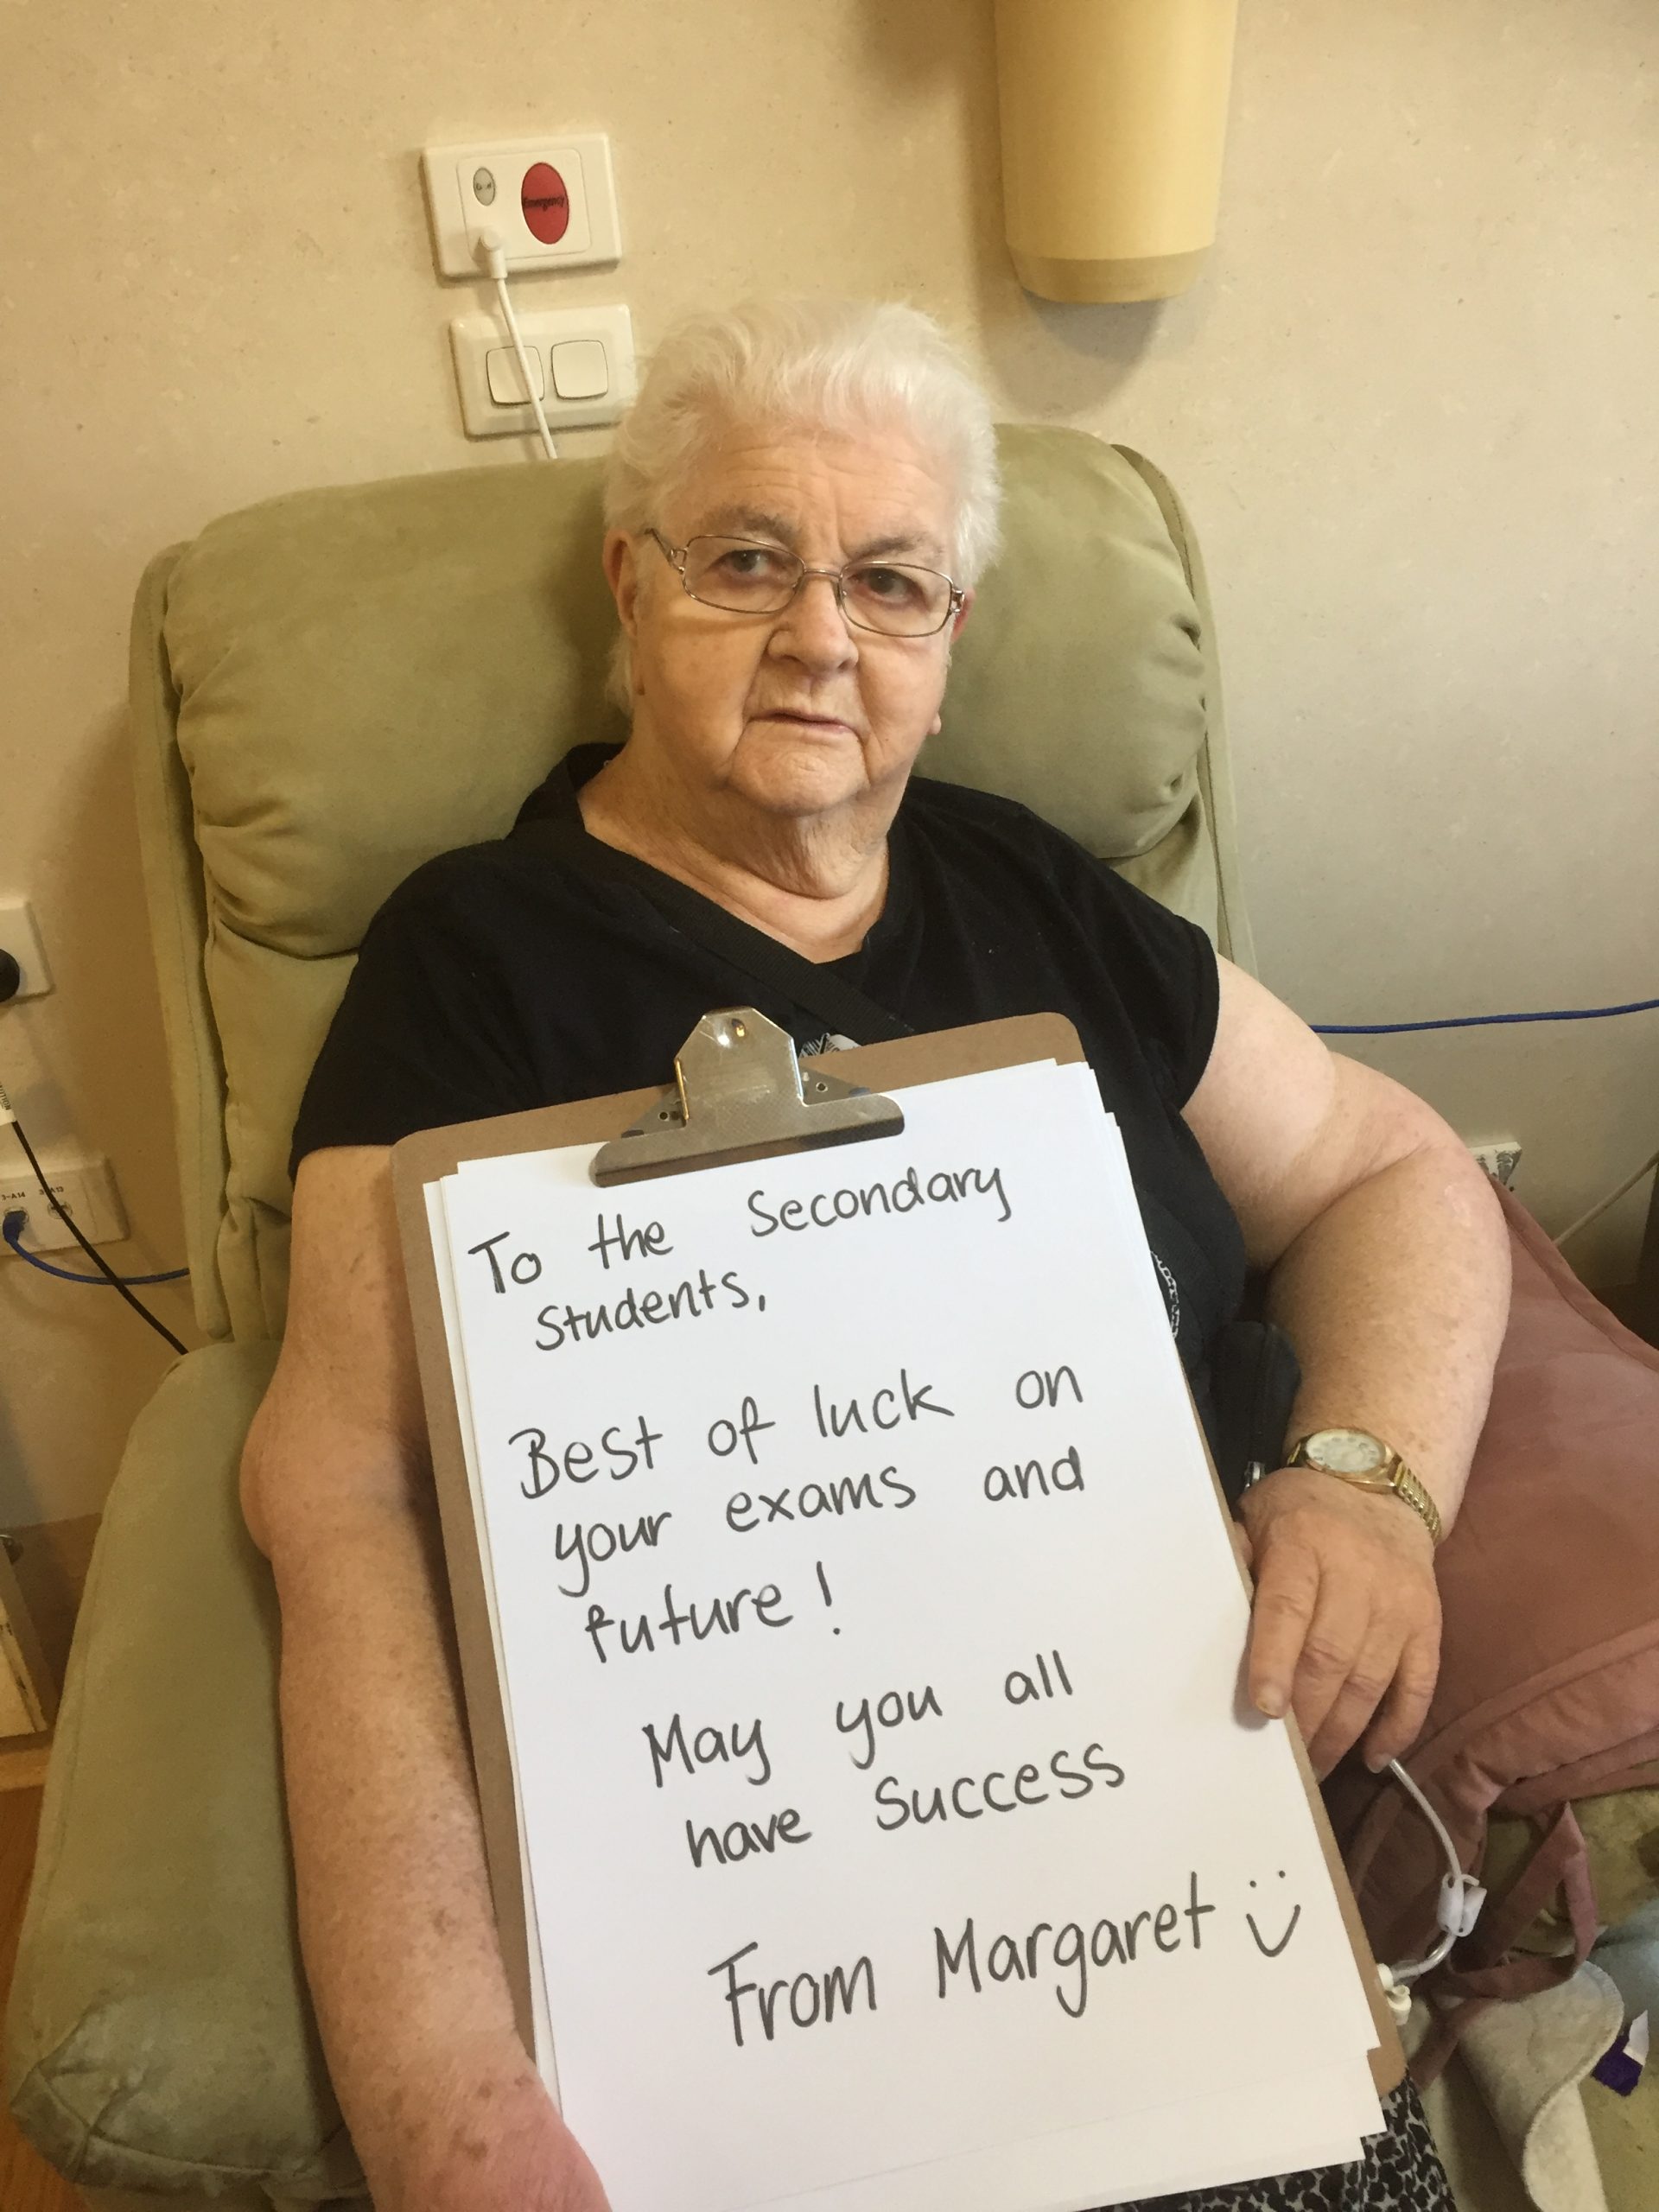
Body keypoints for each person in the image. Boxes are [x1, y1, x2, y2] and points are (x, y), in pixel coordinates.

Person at [243, 298, 1510, 2212]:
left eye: (891, 580)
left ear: (949, 640)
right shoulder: (480, 955)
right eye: (749, 559)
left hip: (1180, 1885)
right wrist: (453, 2100)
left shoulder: (1036, 895)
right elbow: (342, 1482)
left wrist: (1370, 1482)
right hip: (751, 1953)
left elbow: (1388, 1168)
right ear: (631, 586)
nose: (822, 632)